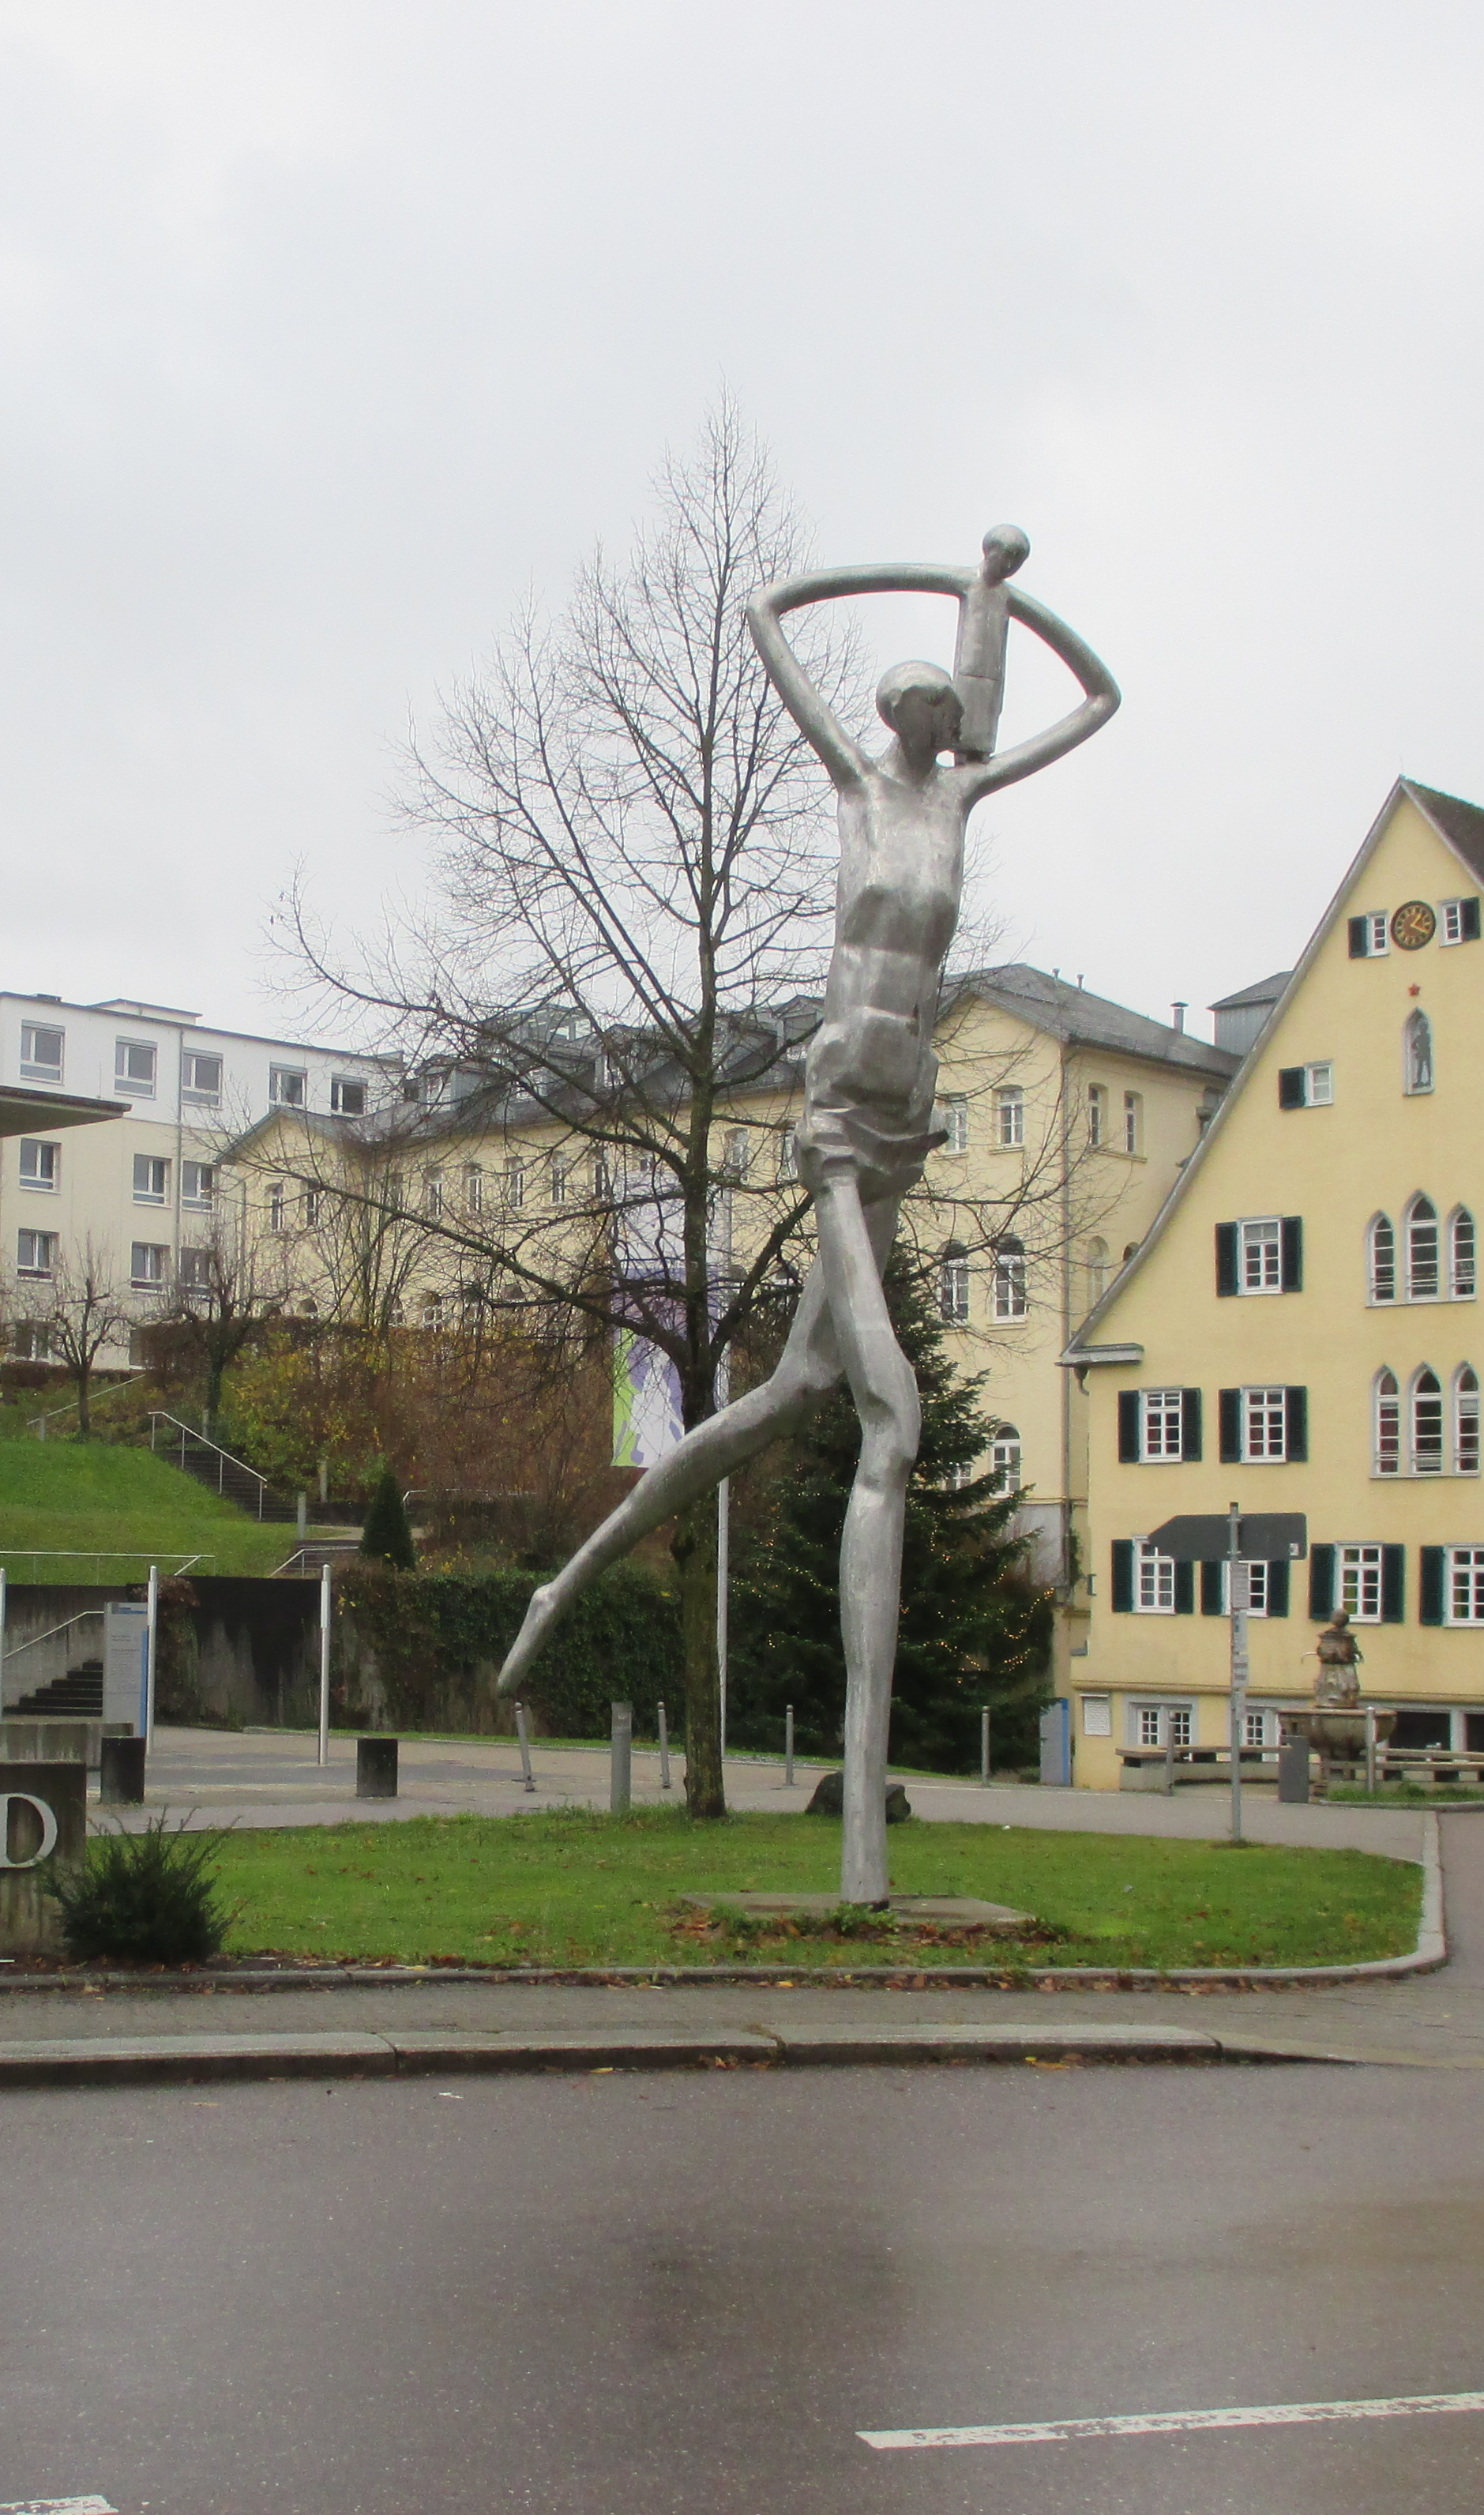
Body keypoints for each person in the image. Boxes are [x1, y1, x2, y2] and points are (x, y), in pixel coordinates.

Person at [497, 529, 1118, 1900]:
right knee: (890, 1412)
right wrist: (905, 570)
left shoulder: (963, 800)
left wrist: (992, 591)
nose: (943, 726)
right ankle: (861, 1854)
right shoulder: (854, 785)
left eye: (957, 712)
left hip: (907, 1122)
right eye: (929, 709)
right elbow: (772, 612)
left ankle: (565, 1584)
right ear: (894, 716)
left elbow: (1099, 699)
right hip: (838, 1120)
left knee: (783, 1398)